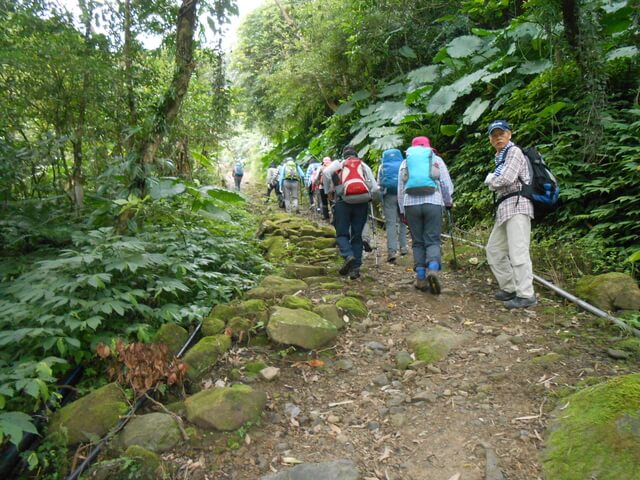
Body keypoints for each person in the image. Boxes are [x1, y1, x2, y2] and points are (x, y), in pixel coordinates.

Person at [483, 120, 537, 309]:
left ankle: (526, 294)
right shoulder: (501, 157)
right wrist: (495, 180)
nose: (498, 137)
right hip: (505, 209)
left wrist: (490, 179)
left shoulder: (514, 152)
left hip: (518, 206)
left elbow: (506, 179)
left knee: (518, 252)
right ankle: (510, 287)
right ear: (490, 139)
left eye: (501, 133)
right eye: (494, 135)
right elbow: (503, 179)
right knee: (494, 249)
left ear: (509, 134)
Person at [398, 136, 453, 294]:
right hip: (433, 201)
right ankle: (433, 269)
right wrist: (448, 202)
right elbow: (445, 184)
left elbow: (400, 188)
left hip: (411, 205)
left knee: (418, 242)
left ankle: (421, 278)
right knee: (432, 239)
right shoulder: (436, 159)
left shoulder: (405, 163)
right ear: (428, 147)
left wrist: (402, 210)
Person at [323, 145, 379, 280]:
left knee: (342, 234)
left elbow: (325, 173)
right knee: (357, 235)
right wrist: (371, 198)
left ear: (344, 155)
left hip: (343, 202)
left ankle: (348, 255)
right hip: (361, 203)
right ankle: (355, 269)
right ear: (356, 155)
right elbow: (375, 188)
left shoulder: (339, 164)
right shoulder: (363, 166)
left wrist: (327, 191)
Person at [378, 148, 408, 262]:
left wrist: (381, 198)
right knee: (403, 222)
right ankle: (403, 247)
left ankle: (392, 251)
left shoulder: (383, 166)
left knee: (391, 223)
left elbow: (379, 183)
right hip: (403, 195)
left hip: (388, 195)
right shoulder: (404, 164)